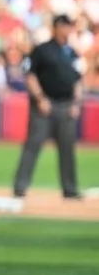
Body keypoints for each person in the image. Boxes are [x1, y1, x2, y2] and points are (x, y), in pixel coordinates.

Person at [12, 14, 84, 200]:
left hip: (66, 105)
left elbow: (77, 81)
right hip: (44, 105)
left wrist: (76, 103)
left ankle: (70, 189)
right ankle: (20, 186)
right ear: (56, 28)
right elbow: (30, 75)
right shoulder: (42, 50)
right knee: (33, 144)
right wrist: (40, 98)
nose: (67, 30)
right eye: (65, 26)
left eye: (69, 26)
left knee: (67, 149)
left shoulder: (71, 53)